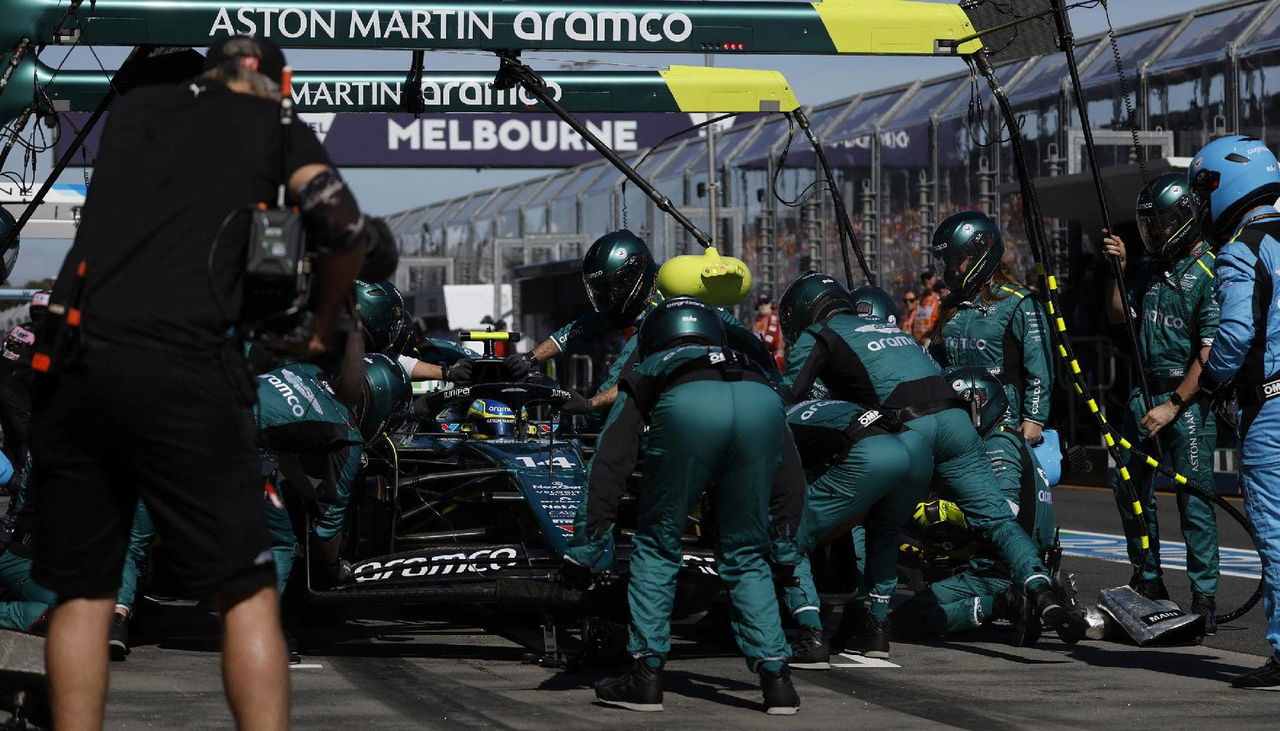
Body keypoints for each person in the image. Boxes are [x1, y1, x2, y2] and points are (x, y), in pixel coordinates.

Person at [29, 35, 370, 728]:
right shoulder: (274, 121)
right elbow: (345, 227)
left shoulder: (134, 114)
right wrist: (319, 326)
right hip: (183, 363)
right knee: (245, 590)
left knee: (84, 593)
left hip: (77, 363)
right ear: (284, 81)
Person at [778, 273, 1084, 654]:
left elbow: (786, 400)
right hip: (954, 419)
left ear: (806, 310)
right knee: (997, 521)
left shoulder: (821, 333)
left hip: (906, 424)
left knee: (865, 521)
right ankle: (1040, 587)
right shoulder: (896, 331)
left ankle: (869, 622)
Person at [562, 297, 800, 715]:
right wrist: (785, 549)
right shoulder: (750, 365)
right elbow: (791, 478)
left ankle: (645, 674)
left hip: (687, 405)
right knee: (747, 552)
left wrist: (585, 549)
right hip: (760, 405)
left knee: (657, 543)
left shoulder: (651, 367)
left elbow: (610, 460)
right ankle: (777, 680)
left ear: (656, 337)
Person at [1100, 172, 1220, 626]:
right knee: (1127, 485)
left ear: (1185, 219)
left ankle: (1204, 594)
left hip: (1183, 399)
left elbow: (1210, 352)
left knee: (1193, 498)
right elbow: (1117, 314)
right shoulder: (1150, 269)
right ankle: (1148, 577)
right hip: (1140, 391)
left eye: (1163, 224)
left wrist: (1174, 404)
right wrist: (1121, 268)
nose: (1156, 233)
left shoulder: (1210, 271)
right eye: (1150, 225)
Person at [1189, 135, 1280, 689]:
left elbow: (1235, 336)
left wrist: (1215, 380)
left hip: (1270, 406)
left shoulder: (1241, 249)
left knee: (1275, 532)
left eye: (1205, 189)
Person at [892, 367, 1057, 645]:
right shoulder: (1011, 439)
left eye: (953, 410)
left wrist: (936, 510)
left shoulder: (997, 444)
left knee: (899, 624)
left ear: (976, 406)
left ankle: (1004, 604)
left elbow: (1003, 511)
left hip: (999, 569)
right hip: (1029, 562)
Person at [782, 397, 933, 670]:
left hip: (871, 450)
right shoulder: (818, 406)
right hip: (916, 447)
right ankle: (876, 633)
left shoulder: (773, 421)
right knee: (885, 533)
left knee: (788, 534)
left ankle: (811, 637)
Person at [931, 211, 1053, 445]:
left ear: (979, 254)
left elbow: (1040, 367)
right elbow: (935, 362)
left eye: (957, 260)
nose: (951, 269)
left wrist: (1034, 419)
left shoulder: (1020, 301)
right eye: (947, 261)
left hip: (1003, 420)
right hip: (955, 418)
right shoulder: (950, 304)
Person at [753, 294, 785, 369]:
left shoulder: (773, 317)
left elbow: (771, 340)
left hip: (774, 356)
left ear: (770, 304)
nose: (763, 305)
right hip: (762, 355)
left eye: (766, 302)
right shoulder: (758, 318)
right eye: (761, 303)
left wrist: (755, 345)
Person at [912, 269, 941, 345]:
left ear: (934, 279)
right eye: (923, 278)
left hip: (929, 341)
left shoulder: (938, 298)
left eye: (929, 278)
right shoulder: (919, 299)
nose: (926, 281)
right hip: (916, 341)